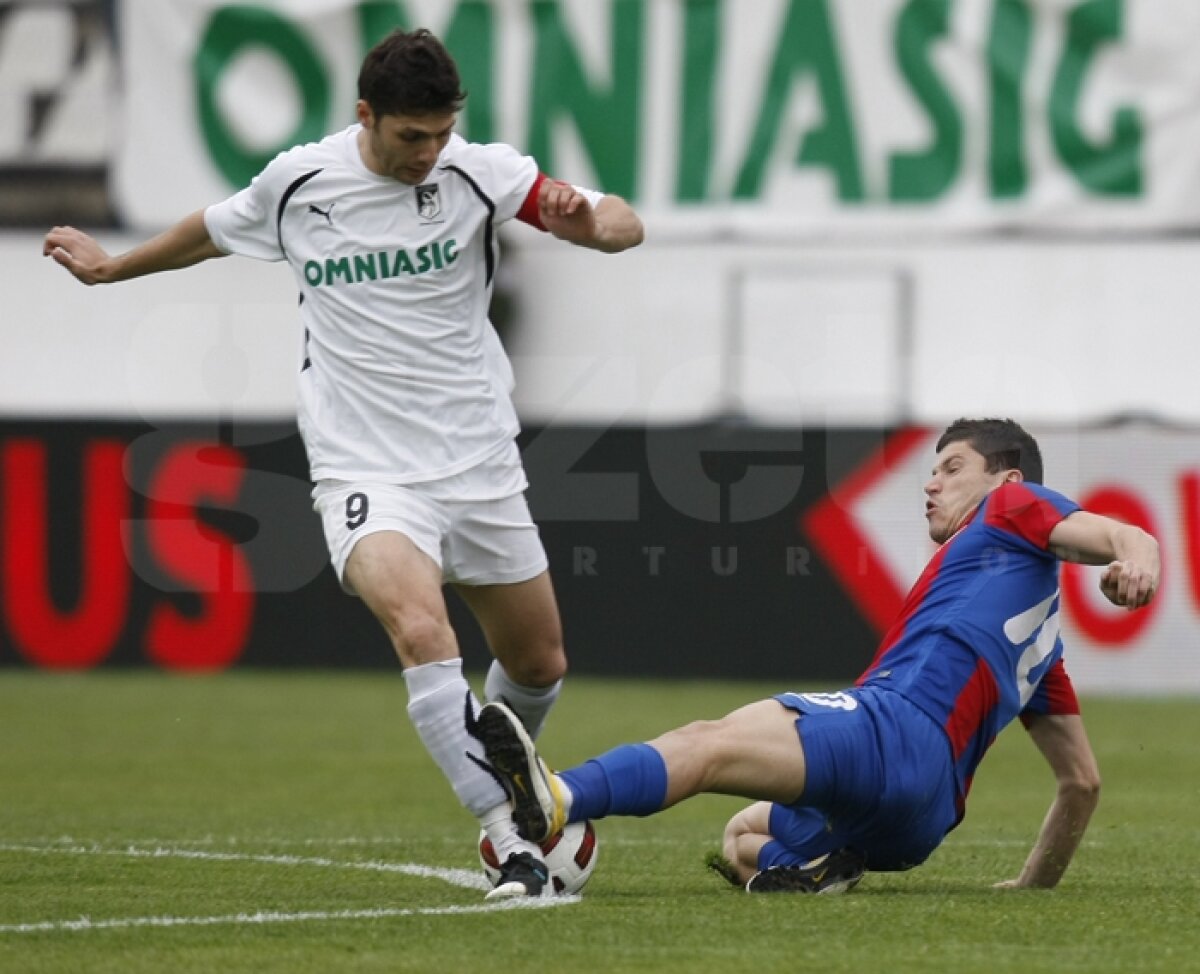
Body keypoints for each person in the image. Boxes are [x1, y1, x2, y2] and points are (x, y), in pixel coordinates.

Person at [43, 28, 644, 899]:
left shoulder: (479, 172)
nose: (428, 153)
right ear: (366, 116)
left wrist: (589, 222)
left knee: (541, 661)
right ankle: (512, 837)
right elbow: (209, 231)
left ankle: (521, 782)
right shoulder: (301, 183)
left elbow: (618, 221)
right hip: (365, 465)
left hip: (477, 459)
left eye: (440, 134)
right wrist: (111, 271)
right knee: (421, 631)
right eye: (411, 138)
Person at [476, 418, 1160, 893]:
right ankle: (817, 871)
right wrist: (1029, 887)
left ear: (1004, 477)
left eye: (952, 468)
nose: (932, 484)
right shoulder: (1041, 647)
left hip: (895, 732)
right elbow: (1082, 783)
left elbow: (1122, 533)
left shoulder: (1012, 504)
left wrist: (1136, 560)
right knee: (740, 838)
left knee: (706, 744)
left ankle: (558, 798)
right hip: (917, 826)